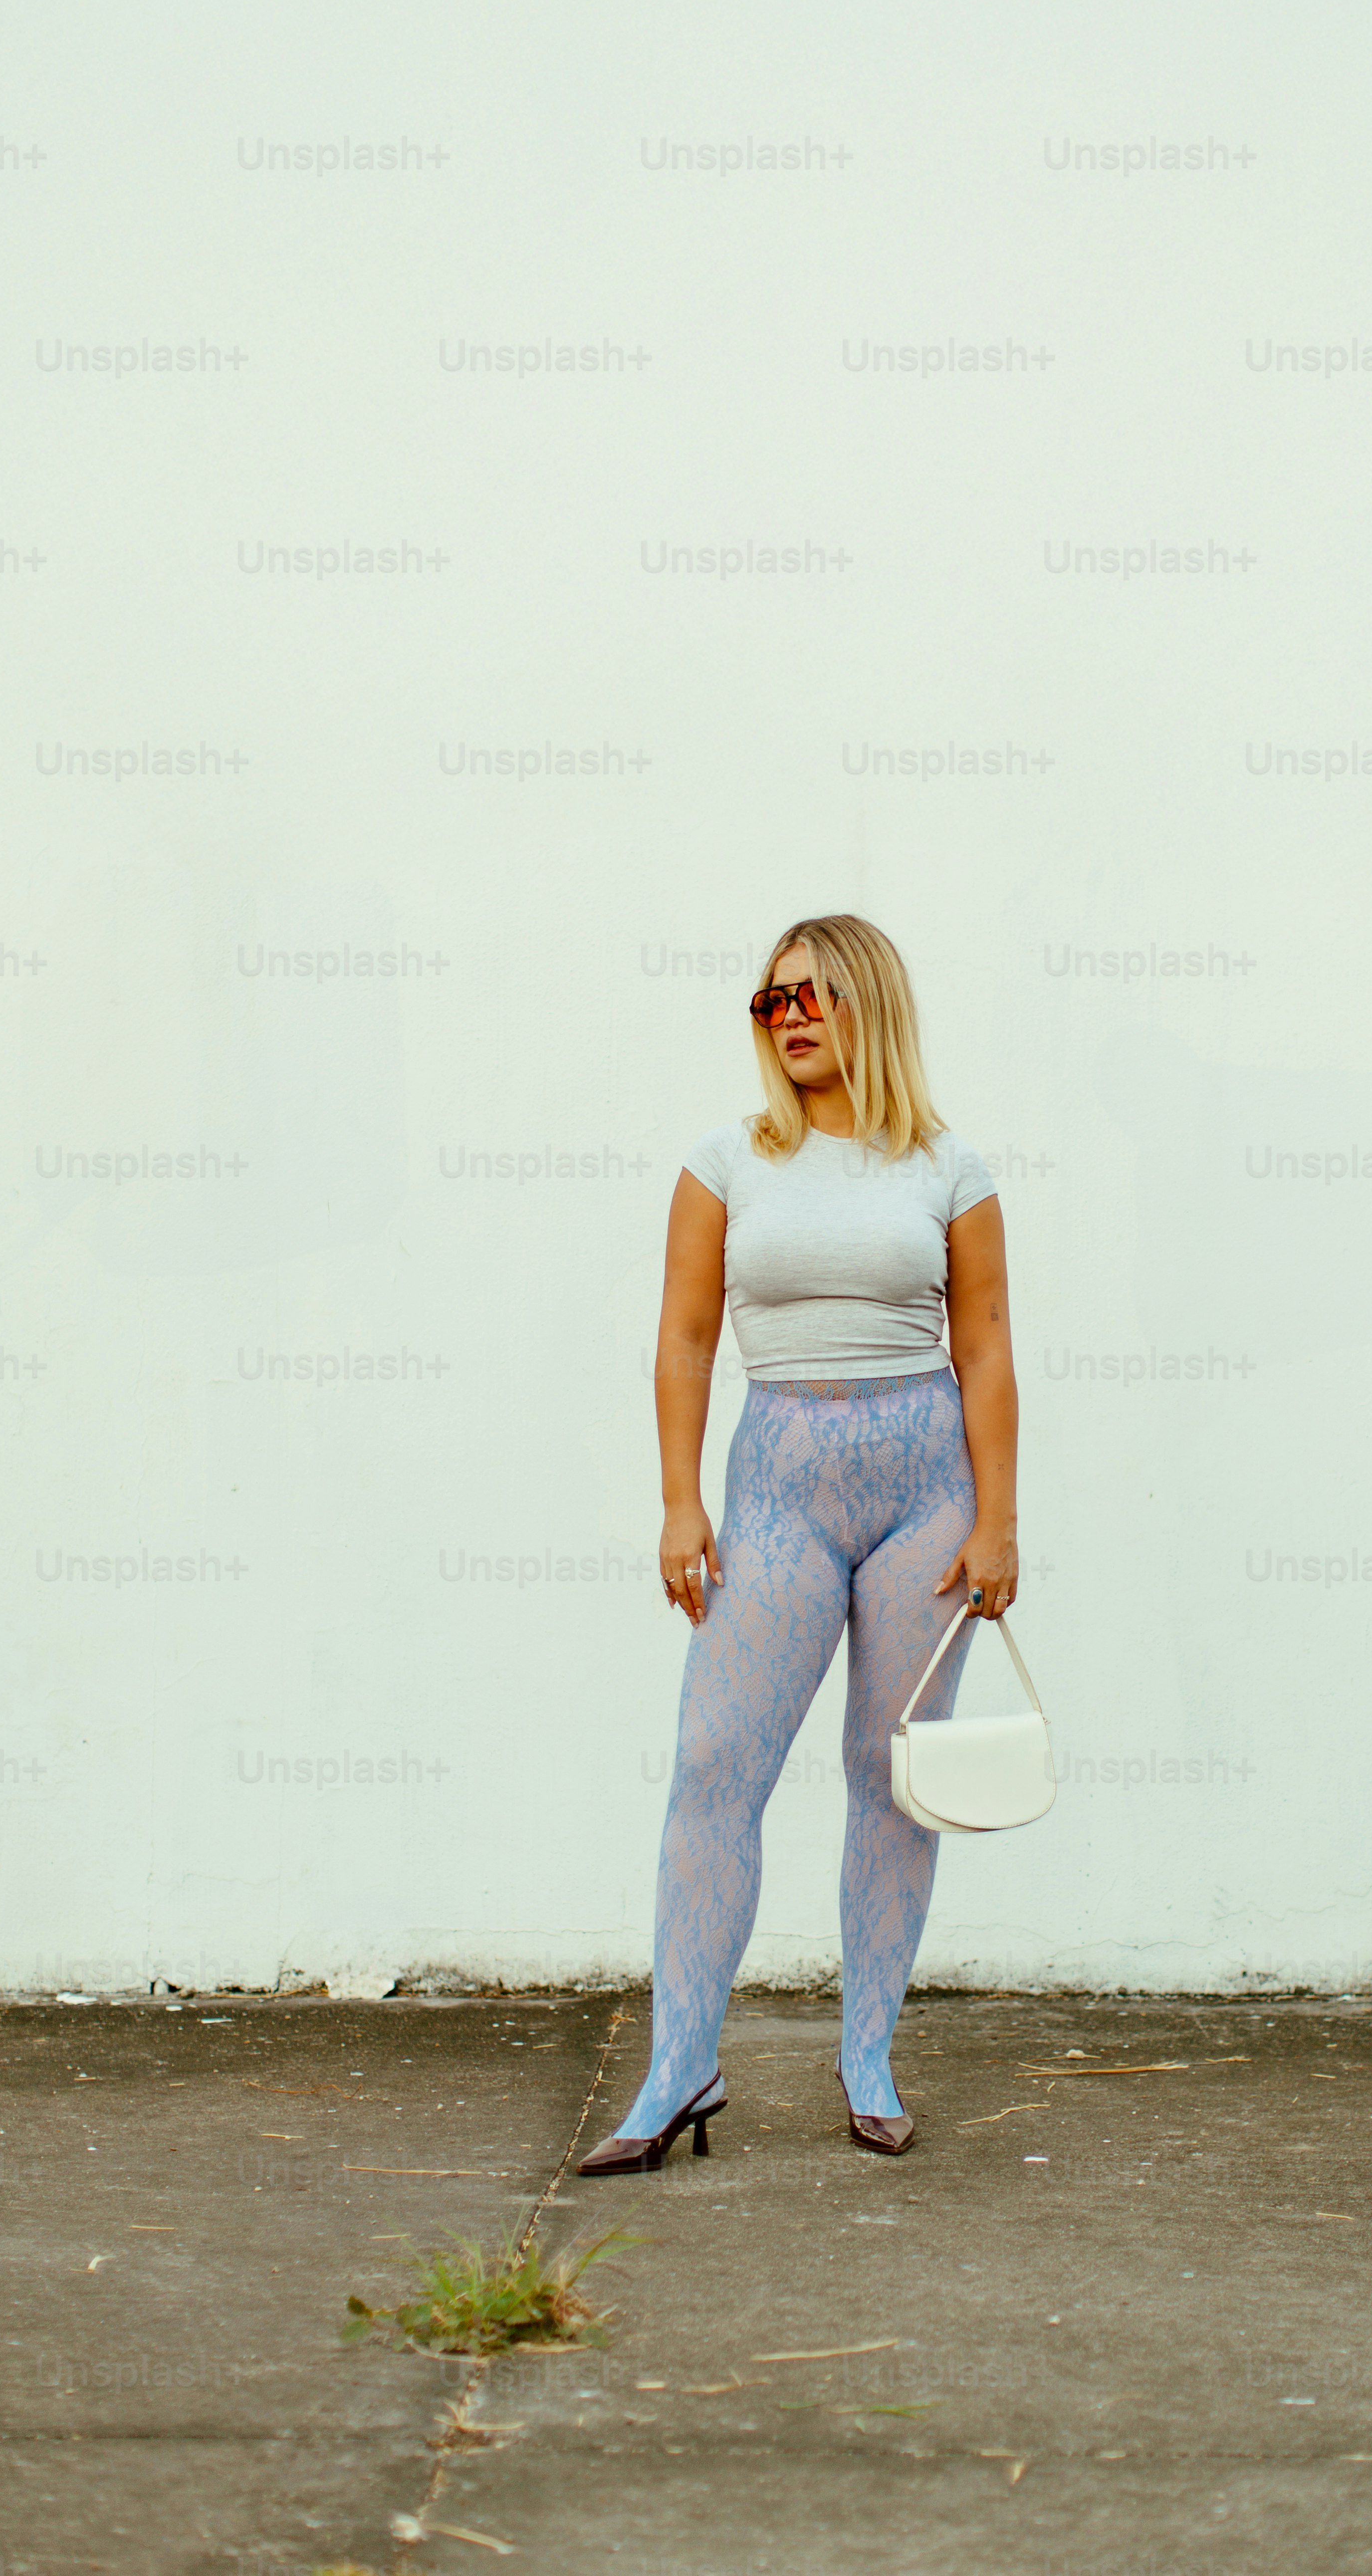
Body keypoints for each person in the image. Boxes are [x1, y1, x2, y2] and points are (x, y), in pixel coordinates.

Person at [578, 912, 1019, 2172]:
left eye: (815, 995)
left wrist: (998, 1520)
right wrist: (679, 1501)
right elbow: (684, 1340)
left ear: (868, 1003)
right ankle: (680, 2067)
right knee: (716, 1764)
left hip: (925, 1485)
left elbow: (985, 1348)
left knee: (894, 1776)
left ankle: (868, 2054)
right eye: (771, 1001)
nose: (791, 1017)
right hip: (777, 1482)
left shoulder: (950, 1168)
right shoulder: (728, 1162)